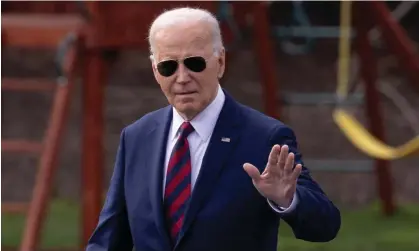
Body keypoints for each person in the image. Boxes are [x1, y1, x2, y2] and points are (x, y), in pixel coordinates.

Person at [86, 7, 341, 251]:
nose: (182, 77)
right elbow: (110, 239)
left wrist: (288, 200)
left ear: (220, 62)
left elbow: (326, 226)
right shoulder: (137, 137)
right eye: (168, 66)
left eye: (194, 63)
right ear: (155, 71)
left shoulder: (264, 137)